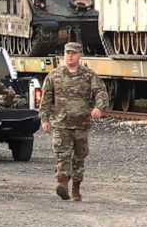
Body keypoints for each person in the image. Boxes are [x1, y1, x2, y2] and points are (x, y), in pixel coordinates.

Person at [39, 42, 109, 201]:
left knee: (78, 157)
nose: (70, 56)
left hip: (81, 124)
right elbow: (45, 100)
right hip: (61, 124)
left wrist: (99, 108)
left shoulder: (89, 75)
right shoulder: (54, 75)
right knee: (62, 155)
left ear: (79, 55)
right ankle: (62, 184)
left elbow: (101, 92)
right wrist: (44, 119)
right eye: (67, 53)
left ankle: (76, 189)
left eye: (73, 53)